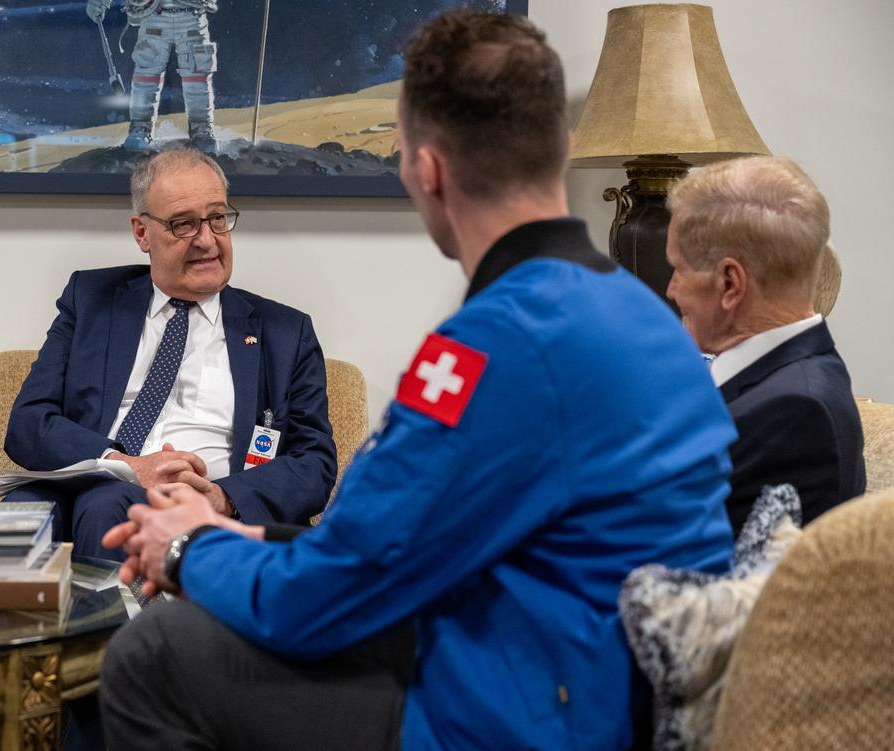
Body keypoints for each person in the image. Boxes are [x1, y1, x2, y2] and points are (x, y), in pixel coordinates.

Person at [98, 10, 739, 751]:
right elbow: (407, 537)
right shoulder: (640, 315)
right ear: (559, 148)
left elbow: (328, 592)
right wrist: (231, 531)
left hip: (520, 714)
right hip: (587, 680)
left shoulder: (494, 347)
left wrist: (187, 550)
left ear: (427, 171)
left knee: (156, 651)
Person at [4, 147, 336, 561]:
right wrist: (124, 465)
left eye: (217, 218)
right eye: (183, 224)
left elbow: (314, 462)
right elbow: (29, 422)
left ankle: (115, 627)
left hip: (211, 508)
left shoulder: (284, 332)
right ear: (142, 233)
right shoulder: (91, 300)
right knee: (35, 514)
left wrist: (221, 497)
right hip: (101, 484)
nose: (206, 240)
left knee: (107, 508)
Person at [666, 155, 865, 536]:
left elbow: (690, 554)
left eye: (678, 268)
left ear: (730, 283)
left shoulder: (797, 412)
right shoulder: (782, 380)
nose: (670, 289)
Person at [87, 0, 220, 152]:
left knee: (196, 75)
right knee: (147, 74)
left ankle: (201, 127)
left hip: (191, 14)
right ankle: (140, 127)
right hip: (154, 14)